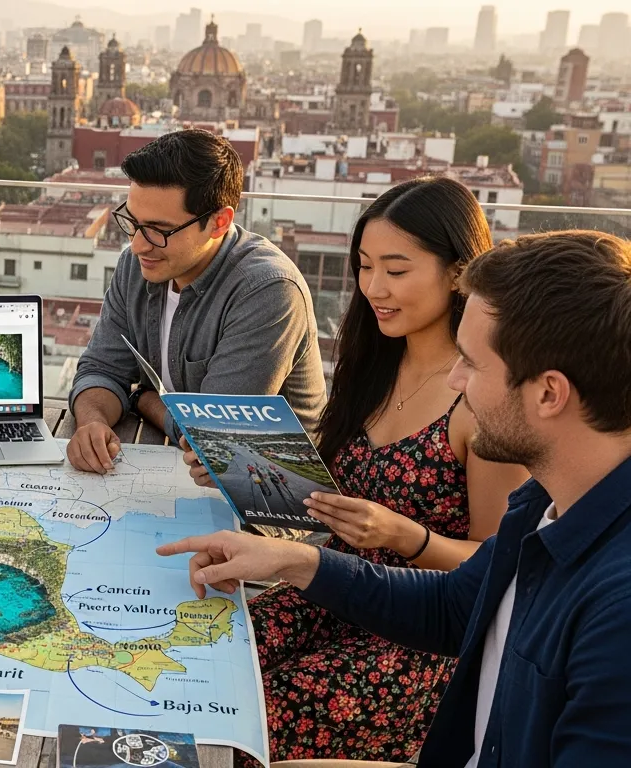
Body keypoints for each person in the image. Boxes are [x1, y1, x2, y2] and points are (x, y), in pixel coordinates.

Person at [161, 230, 631, 767]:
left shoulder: (617, 610)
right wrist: (293, 559)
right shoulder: (540, 508)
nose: (455, 379)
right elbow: (453, 606)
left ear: (549, 392)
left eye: (473, 365)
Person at [186, 178, 529, 763]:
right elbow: (333, 498)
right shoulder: (372, 364)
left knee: (262, 711)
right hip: (335, 583)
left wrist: (405, 536)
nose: (374, 288)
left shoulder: (482, 396)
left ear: (457, 272)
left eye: (396, 270)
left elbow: (501, 568)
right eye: (365, 267)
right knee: (206, 663)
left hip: (422, 631)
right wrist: (249, 469)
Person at [67, 129, 325, 474]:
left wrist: (143, 399)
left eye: (159, 230)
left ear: (219, 223)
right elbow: (101, 370)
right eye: (133, 222)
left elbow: (215, 440)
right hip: (177, 471)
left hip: (269, 495)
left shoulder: (268, 291)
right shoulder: (138, 264)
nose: (139, 244)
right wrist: (92, 423)